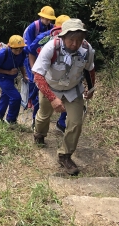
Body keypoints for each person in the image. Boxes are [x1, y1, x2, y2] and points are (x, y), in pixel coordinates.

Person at [31, 19, 96, 175]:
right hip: (50, 87)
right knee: (44, 116)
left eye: (79, 40)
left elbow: (90, 70)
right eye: (71, 40)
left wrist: (91, 88)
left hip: (73, 89)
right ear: (63, 37)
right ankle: (39, 133)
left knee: (76, 122)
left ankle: (65, 155)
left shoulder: (87, 50)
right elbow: (38, 76)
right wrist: (53, 98)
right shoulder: (51, 48)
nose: (75, 44)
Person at [25, 14, 70, 129]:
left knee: (67, 97)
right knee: (40, 98)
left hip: (63, 74)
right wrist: (34, 70)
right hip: (45, 73)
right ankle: (37, 122)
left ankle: (61, 123)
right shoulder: (45, 37)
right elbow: (31, 50)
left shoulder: (74, 39)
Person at [0, 35, 27, 124]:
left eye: (20, 49)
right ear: (10, 47)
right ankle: (11, 119)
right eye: (16, 49)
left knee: (5, 97)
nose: (18, 51)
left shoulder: (22, 52)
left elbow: (21, 64)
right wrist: (8, 72)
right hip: (1, 78)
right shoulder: (2, 53)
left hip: (10, 78)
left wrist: (24, 75)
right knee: (16, 97)